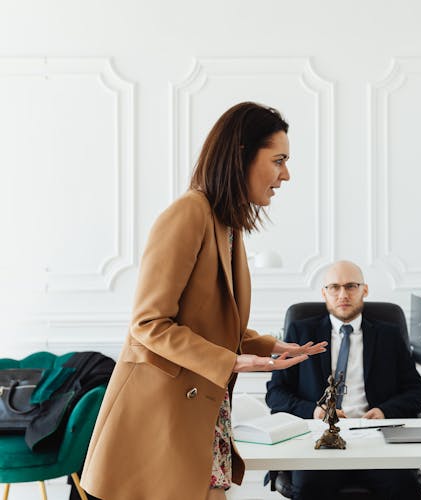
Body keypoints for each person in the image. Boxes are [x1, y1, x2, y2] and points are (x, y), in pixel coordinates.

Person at [80, 102, 327, 500]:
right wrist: (231, 360)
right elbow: (148, 324)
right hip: (162, 418)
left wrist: (265, 345)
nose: (286, 174)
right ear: (242, 154)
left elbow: (203, 319)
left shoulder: (226, 224)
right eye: (278, 160)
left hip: (202, 412)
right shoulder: (188, 214)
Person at [266, 260, 421, 500]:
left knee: (405, 488)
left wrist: (384, 410)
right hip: (319, 443)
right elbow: (276, 393)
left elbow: (417, 392)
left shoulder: (388, 335)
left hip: (375, 442)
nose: (343, 294)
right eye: (334, 287)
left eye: (351, 286)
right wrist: (314, 411)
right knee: (309, 487)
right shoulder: (301, 334)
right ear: (324, 293)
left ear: (365, 289)